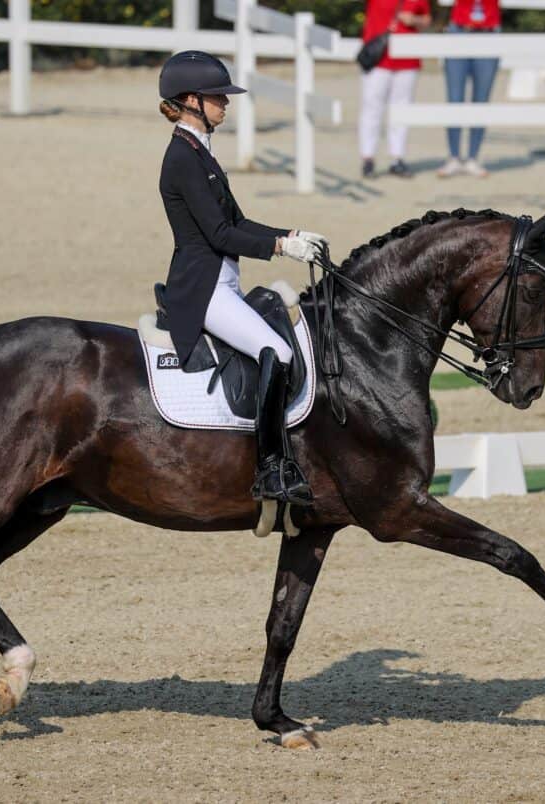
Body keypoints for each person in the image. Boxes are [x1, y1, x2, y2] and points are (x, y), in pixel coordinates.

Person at [157, 51, 327, 507]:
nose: (225, 104)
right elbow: (218, 233)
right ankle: (271, 466)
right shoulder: (182, 158)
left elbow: (238, 220)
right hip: (203, 288)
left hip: (222, 281)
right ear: (191, 99)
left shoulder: (200, 152)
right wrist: (278, 249)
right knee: (279, 351)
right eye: (217, 97)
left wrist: (289, 235)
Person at [359, 0, 433, 179]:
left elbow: (426, 19)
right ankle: (368, 157)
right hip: (379, 59)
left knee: (401, 109)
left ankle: (397, 158)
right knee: (372, 107)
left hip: (408, 60)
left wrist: (413, 20)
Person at [437, 0, 502, 178]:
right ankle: (454, 156)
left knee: (481, 100)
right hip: (459, 30)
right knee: (454, 99)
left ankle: (473, 157)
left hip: (488, 33)